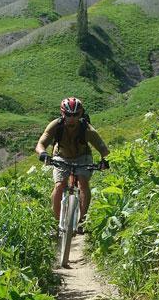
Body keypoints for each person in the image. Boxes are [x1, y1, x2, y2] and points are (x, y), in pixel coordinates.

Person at [35, 97, 110, 232]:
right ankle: (56, 222)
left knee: (83, 183)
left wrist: (104, 161)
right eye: (68, 115)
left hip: (83, 157)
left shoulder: (87, 129)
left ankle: (82, 222)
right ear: (63, 113)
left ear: (81, 114)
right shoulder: (55, 126)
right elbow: (41, 143)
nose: (72, 118)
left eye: (76, 115)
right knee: (59, 185)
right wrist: (43, 154)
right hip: (61, 156)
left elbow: (104, 149)